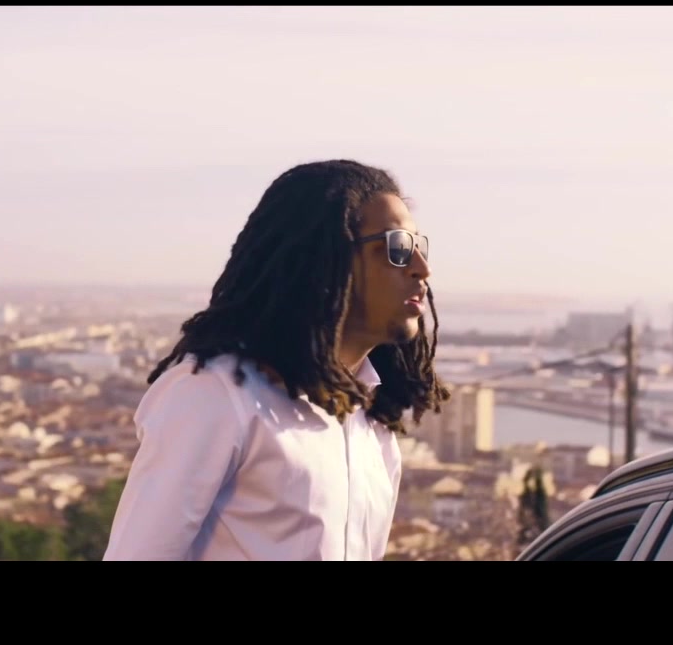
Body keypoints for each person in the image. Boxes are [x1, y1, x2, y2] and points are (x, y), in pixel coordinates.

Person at [102, 159, 449, 560]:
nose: (422, 269)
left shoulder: (373, 426)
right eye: (398, 248)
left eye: (418, 247)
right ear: (323, 259)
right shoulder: (215, 393)